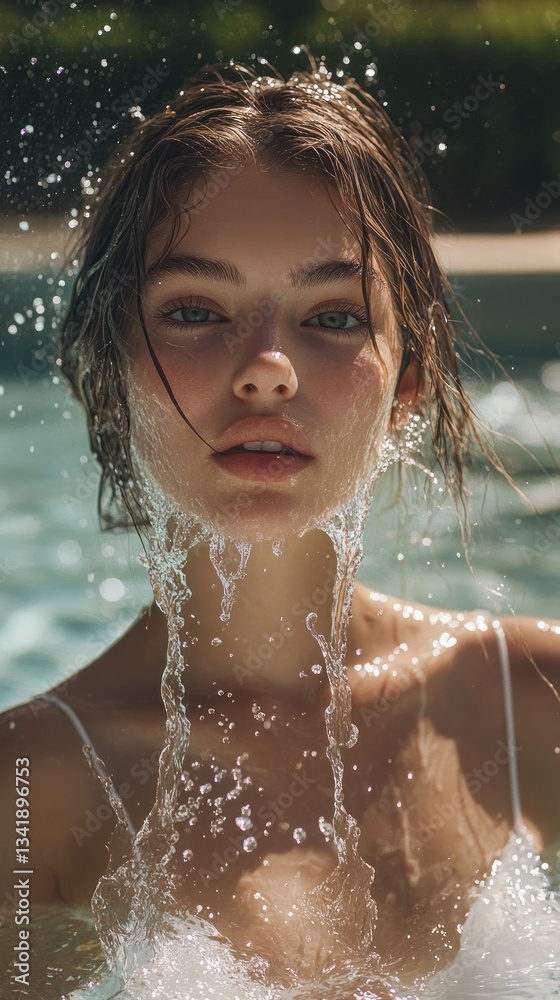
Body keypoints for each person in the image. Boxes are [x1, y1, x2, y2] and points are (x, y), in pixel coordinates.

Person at [0, 55, 559, 991]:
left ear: (406, 386)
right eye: (193, 310)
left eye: (333, 317)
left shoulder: (525, 700)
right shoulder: (34, 789)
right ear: (111, 375)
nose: (268, 368)